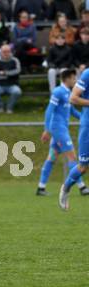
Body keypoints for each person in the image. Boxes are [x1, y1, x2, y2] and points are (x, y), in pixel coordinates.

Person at [37, 69, 89, 196]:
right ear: (67, 79)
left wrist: (83, 119)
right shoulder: (58, 91)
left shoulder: (67, 92)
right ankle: (82, 187)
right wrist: (47, 129)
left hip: (62, 128)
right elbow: (49, 111)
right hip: (58, 128)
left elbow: (73, 111)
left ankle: (41, 187)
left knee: (52, 157)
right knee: (73, 157)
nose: (75, 80)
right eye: (73, 78)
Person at [59, 68, 89, 210]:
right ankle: (66, 189)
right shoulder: (87, 74)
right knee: (83, 167)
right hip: (88, 126)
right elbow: (73, 98)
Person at [0, 45, 22, 113]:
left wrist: (5, 73)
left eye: (8, 51)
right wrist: (6, 76)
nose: (6, 53)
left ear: (11, 52)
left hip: (12, 84)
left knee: (17, 92)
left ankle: (9, 108)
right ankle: (1, 107)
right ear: (1, 52)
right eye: (4, 52)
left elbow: (18, 71)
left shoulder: (15, 60)